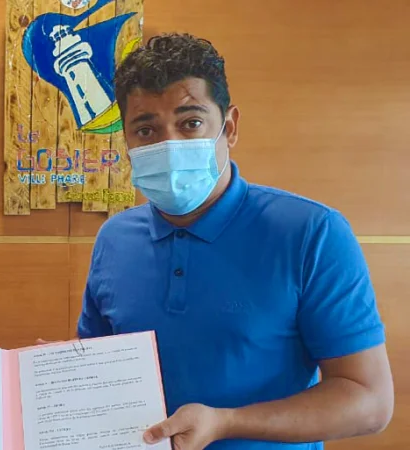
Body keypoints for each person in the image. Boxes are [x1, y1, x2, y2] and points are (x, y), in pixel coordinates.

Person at [77, 33, 394, 450]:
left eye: (190, 123)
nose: (169, 144)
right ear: (127, 141)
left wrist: (226, 423)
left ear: (229, 128)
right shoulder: (114, 238)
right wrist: (61, 370)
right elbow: (100, 367)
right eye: (146, 129)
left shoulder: (312, 233)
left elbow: (369, 401)